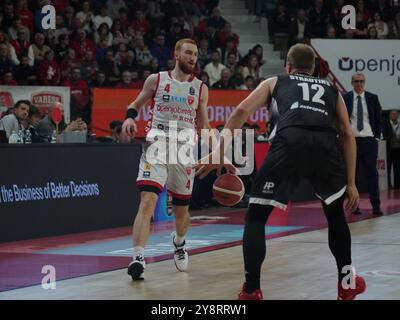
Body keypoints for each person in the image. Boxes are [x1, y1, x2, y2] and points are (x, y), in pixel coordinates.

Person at [195, 43, 366, 300]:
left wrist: (219, 151)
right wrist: (351, 183)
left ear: (288, 66)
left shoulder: (276, 81)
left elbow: (241, 111)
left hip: (290, 143)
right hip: (325, 147)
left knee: (256, 218)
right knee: (336, 217)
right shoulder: (332, 88)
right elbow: (347, 134)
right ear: (314, 68)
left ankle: (252, 289)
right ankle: (347, 283)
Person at [122, 39, 211, 281]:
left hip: (184, 151)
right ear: (177, 54)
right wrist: (130, 118)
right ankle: (138, 258)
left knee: (182, 213)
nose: (193, 58)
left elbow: (204, 125)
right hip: (157, 146)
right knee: (147, 200)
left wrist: (216, 151)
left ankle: (179, 242)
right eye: (189, 53)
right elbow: (135, 104)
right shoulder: (157, 80)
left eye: (196, 54)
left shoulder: (201, 88)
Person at [342, 72, 383, 216]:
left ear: (364, 82)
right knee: (352, 176)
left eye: (361, 81)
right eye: (356, 81)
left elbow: (378, 120)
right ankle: (355, 206)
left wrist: (376, 138)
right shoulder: (345, 98)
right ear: (351, 83)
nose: (359, 84)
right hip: (352, 141)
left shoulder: (373, 98)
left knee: (372, 174)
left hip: (369, 141)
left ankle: (376, 206)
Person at [383, 110, 400, 189]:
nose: (394, 115)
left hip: (398, 149)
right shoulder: (386, 124)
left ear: (398, 115)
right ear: (389, 115)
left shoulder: (399, 125)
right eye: (392, 114)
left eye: (395, 114)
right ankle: (389, 185)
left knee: (397, 168)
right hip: (389, 149)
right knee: (388, 168)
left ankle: (397, 185)